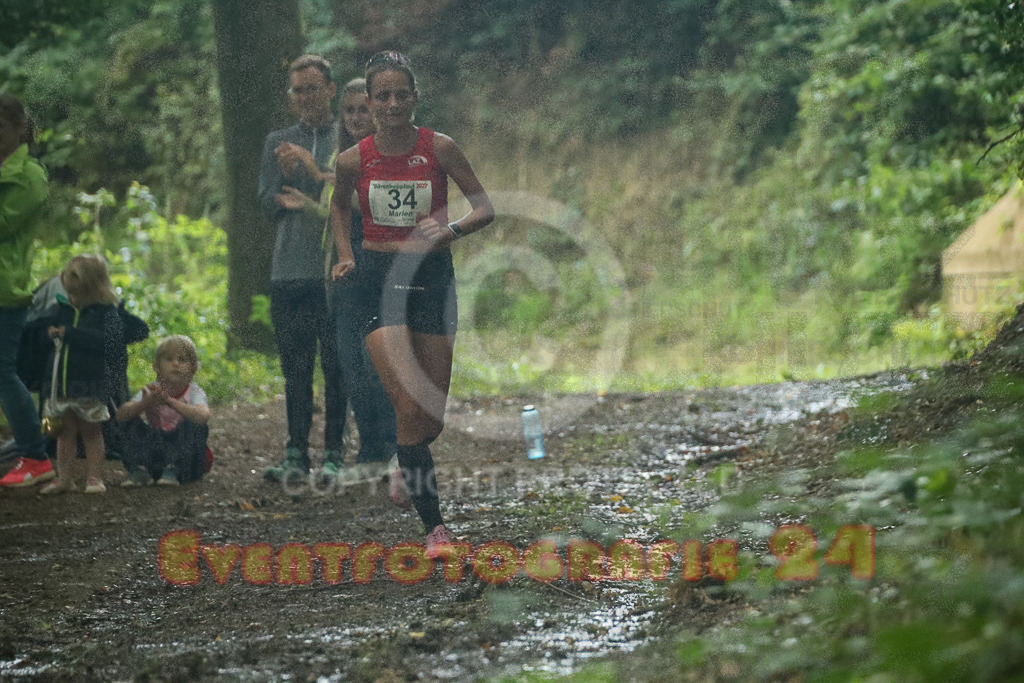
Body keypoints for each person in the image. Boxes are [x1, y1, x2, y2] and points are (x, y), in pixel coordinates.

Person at [330, 51, 495, 555]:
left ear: (416, 98)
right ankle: (435, 529)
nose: (393, 103)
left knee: (430, 416)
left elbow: (485, 208)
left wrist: (448, 230)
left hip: (431, 277)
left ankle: (408, 456)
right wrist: (344, 255)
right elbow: (338, 206)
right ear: (369, 101)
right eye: (383, 95)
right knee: (406, 401)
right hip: (377, 279)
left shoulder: (440, 148)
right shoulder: (352, 159)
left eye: (402, 94)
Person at [258, 54, 347, 483]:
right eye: (298, 90)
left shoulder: (345, 136)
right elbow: (264, 205)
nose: (306, 98)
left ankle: (334, 452)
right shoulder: (278, 140)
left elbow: (348, 196)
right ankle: (296, 452)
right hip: (287, 271)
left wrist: (314, 172)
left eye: (313, 88)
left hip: (332, 270)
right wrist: (279, 180)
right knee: (295, 367)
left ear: (330, 90)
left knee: (334, 365)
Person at [0, 93, 55, 488]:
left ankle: (35, 454)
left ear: (21, 129)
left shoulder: (30, 176)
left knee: (3, 373)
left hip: (6, 289)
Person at [37, 254, 126, 494]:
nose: (72, 298)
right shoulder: (63, 310)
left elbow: (109, 344)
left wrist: (72, 334)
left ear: (93, 287)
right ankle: (64, 478)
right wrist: (51, 334)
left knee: (91, 431)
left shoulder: (107, 313)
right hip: (61, 386)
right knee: (64, 434)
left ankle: (94, 478)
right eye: (69, 293)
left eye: (76, 293)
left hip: (89, 386)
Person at [116, 335, 211, 486]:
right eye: (169, 359)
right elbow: (121, 415)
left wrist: (170, 402)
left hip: (186, 462)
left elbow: (203, 416)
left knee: (197, 425)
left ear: (193, 369)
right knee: (128, 420)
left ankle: (174, 469)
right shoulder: (152, 389)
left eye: (182, 360)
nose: (175, 364)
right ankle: (139, 471)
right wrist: (144, 403)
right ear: (156, 367)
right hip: (156, 454)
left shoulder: (194, 392)